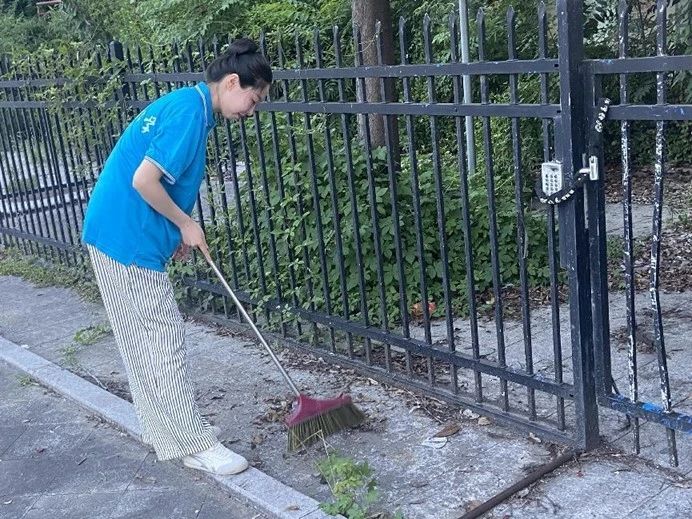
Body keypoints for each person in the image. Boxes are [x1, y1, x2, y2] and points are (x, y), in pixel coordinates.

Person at [81, 38, 272, 476]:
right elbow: (144, 180)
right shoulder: (189, 113)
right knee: (162, 337)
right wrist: (185, 223)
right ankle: (193, 443)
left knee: (141, 342)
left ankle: (167, 431)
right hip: (127, 240)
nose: (252, 109)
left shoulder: (190, 107)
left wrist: (175, 229)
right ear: (232, 82)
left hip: (115, 233)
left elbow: (160, 183)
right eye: (254, 99)